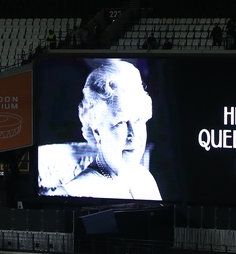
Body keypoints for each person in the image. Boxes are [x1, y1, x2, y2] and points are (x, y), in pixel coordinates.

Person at [44, 60, 162, 201]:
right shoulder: (71, 193)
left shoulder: (144, 178)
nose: (134, 135)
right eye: (121, 122)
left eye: (138, 120)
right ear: (97, 132)